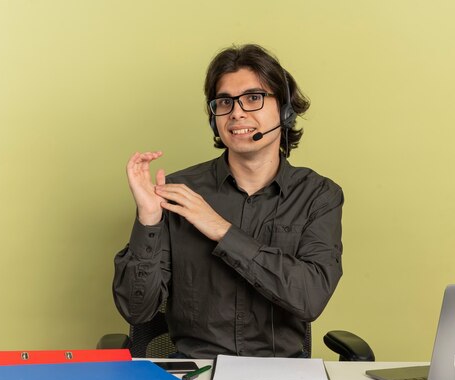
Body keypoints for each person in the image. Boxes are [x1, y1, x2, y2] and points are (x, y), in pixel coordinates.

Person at [113, 44, 343, 358]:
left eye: (253, 98)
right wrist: (148, 219)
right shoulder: (178, 192)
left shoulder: (317, 195)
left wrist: (222, 231)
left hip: (281, 377)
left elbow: (310, 298)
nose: (236, 112)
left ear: (285, 110)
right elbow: (137, 311)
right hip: (195, 372)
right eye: (225, 102)